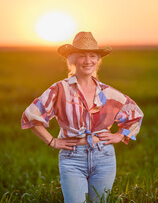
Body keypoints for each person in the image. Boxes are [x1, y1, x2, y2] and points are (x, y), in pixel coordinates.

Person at [21, 31, 143, 203]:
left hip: (104, 157)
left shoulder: (108, 92)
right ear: (72, 59)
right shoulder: (59, 90)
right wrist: (52, 141)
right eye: (82, 56)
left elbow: (135, 113)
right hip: (72, 159)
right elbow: (31, 115)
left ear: (98, 60)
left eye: (93, 55)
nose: (88, 61)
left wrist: (118, 136)